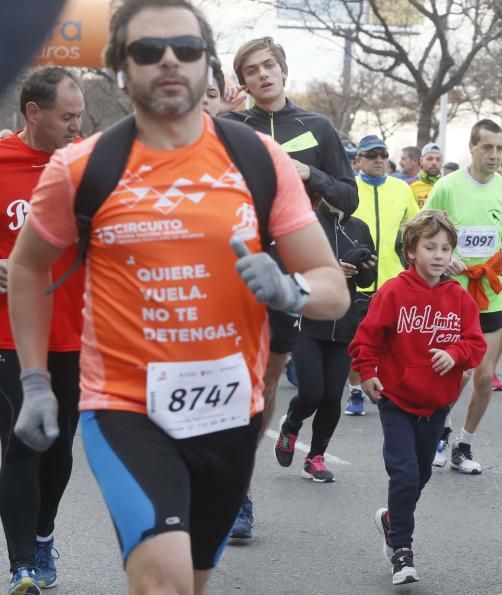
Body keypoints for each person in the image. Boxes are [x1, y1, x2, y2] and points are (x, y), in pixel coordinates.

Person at [7, 1, 350, 592]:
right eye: (147, 50)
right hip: (125, 407)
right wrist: (36, 381)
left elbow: (332, 288)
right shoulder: (80, 167)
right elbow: (28, 268)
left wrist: (289, 287)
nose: (169, 60)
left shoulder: (257, 160)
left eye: (186, 49)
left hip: (227, 410)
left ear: (206, 65)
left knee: (191, 581)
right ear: (119, 68)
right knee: (161, 580)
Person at [221, 35, 358, 536]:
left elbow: (350, 197)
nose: (263, 75)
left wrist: (308, 172)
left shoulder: (317, 127)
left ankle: (237, 478)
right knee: (234, 379)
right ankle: (237, 496)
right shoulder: (232, 127)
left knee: (268, 384)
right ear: (243, 81)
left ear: (283, 70)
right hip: (238, 267)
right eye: (252, 70)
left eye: (269, 66)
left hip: (294, 272)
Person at [350, 210, 487, 585]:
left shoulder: (459, 298)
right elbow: (366, 339)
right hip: (395, 400)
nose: (439, 255)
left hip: (436, 405)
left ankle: (391, 521)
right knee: (405, 473)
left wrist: (455, 354)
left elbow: (475, 345)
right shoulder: (393, 291)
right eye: (430, 247)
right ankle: (401, 551)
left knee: (421, 473)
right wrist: (367, 373)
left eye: (446, 248)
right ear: (412, 250)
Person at [0, 67, 84, 595]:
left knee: (58, 451)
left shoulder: (82, 168)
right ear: (34, 113)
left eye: (81, 116)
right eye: (66, 116)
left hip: (72, 333)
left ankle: (44, 530)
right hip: (8, 336)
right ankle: (22, 563)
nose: (77, 126)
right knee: (22, 443)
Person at [424, 119, 502, 474]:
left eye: (500, 148)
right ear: (472, 148)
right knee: (457, 374)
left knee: (483, 376)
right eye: (487, 148)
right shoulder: (448, 188)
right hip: (451, 296)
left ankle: (463, 445)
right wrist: (445, 257)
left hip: (490, 294)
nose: (495, 155)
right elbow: (420, 234)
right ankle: (440, 432)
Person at [274, 184, 376, 482]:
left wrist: (361, 267)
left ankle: (315, 456)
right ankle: (291, 423)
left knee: (333, 396)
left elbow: (370, 277)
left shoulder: (359, 227)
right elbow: (290, 267)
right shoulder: (306, 221)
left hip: (345, 322)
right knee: (312, 393)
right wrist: (332, 268)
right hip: (309, 320)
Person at [343, 135, 419, 416]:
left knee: (392, 341)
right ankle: (354, 392)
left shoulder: (401, 189)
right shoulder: (349, 187)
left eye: (383, 155)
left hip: (392, 278)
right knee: (357, 341)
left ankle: (385, 387)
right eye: (372, 155)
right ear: (359, 159)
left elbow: (416, 227)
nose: (378, 160)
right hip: (357, 277)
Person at [407, 142, 443, 208]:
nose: (434, 163)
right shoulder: (408, 185)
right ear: (421, 161)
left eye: (438, 159)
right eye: (430, 159)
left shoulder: (446, 185)